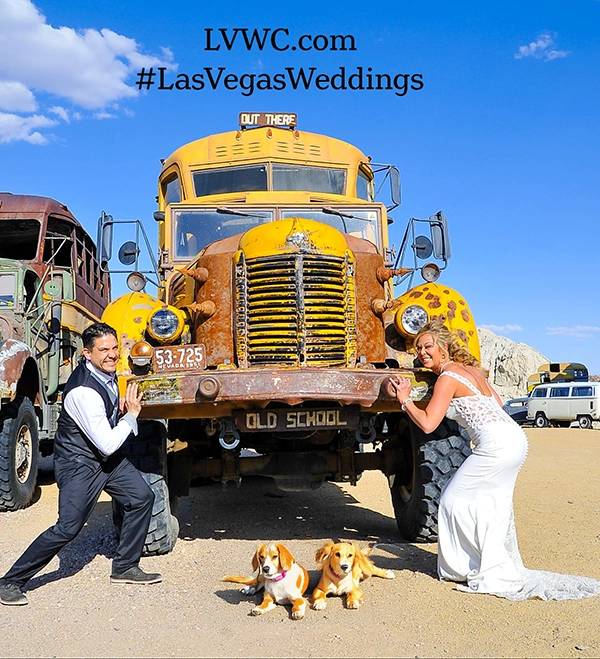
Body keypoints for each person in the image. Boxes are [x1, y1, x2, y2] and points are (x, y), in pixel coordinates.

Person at [388, 320, 600, 601]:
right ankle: (488, 565)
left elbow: (427, 424)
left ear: (444, 348)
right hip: (515, 438)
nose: (422, 352)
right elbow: (497, 403)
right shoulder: (472, 372)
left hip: (497, 445)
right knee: (491, 506)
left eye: (428, 346)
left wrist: (405, 400)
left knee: (452, 501)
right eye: (418, 348)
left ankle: (464, 567)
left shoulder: (447, 377)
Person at [0, 322, 161, 606]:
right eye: (104, 350)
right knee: (68, 528)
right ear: (87, 354)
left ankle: (125, 566)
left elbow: (105, 433)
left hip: (105, 461)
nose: (112, 355)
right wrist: (131, 416)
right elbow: (108, 443)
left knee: (142, 497)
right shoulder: (83, 391)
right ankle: (10, 581)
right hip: (79, 464)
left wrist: (118, 410)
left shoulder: (105, 374)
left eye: (114, 348)